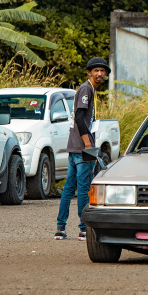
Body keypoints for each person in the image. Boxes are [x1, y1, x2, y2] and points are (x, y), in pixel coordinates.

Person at [54, 57, 109, 241]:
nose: (100, 74)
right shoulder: (86, 88)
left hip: (75, 147)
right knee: (84, 189)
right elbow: (79, 117)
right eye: (96, 70)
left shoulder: (88, 88)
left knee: (69, 188)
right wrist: (87, 144)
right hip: (81, 148)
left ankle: (60, 229)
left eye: (102, 70)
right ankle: (84, 229)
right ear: (89, 72)